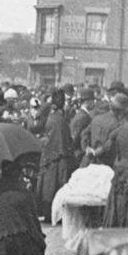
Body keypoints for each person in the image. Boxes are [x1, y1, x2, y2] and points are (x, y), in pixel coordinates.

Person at [35, 91, 76, 220]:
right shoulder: (60, 121)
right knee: (55, 186)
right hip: (59, 157)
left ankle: (48, 212)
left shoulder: (50, 118)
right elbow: (64, 142)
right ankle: (55, 214)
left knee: (47, 186)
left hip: (49, 156)